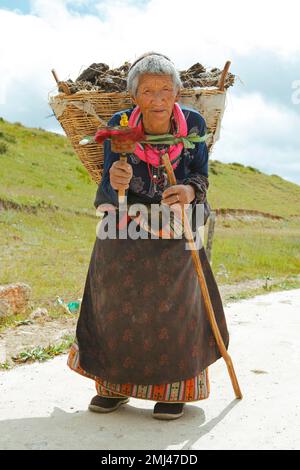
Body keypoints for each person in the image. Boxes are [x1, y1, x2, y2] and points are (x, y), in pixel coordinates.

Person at [67, 52, 230, 421]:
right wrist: (116, 182)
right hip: (125, 221)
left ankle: (174, 390)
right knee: (114, 300)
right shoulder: (120, 123)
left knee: (175, 305)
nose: (158, 98)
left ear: (177, 92)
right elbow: (111, 179)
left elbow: (201, 176)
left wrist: (189, 192)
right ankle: (112, 386)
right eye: (148, 90)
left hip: (176, 223)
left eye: (165, 89)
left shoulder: (193, 123)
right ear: (134, 96)